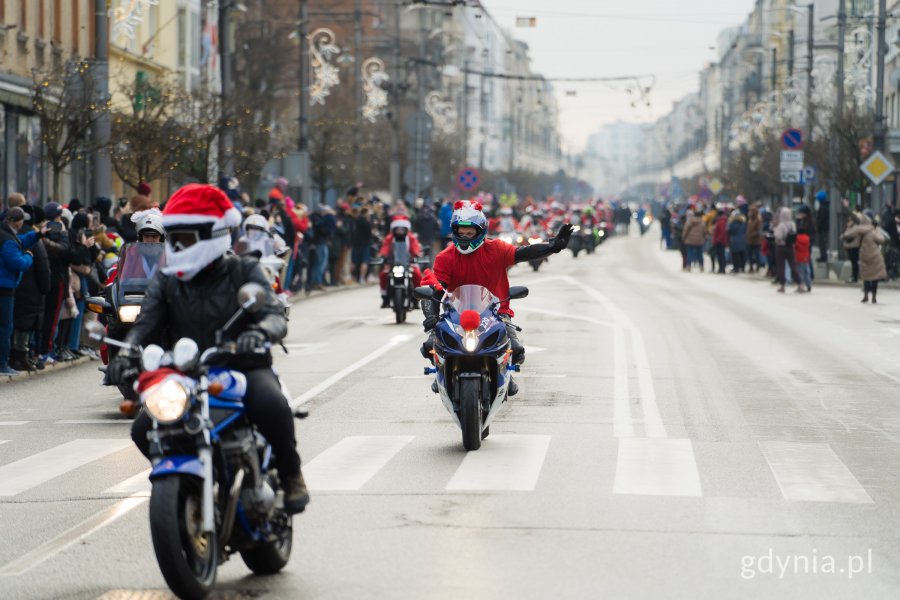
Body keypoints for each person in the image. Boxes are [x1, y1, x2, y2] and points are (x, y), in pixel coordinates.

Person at [107, 184, 309, 514]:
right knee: (144, 428)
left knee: (271, 405)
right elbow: (145, 324)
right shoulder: (167, 279)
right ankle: (187, 484)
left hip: (241, 363)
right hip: (185, 371)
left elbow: (273, 313)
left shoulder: (243, 269)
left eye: (183, 238)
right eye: (172, 238)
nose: (176, 246)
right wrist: (127, 352)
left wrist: (258, 332)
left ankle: (291, 475)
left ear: (211, 233)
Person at [419, 201, 573, 397]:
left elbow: (523, 252)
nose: (465, 237)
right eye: (461, 232)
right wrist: (431, 317)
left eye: (470, 232)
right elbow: (435, 289)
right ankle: (441, 374)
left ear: (481, 230)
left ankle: (505, 374)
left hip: (496, 313)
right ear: (454, 231)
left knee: (516, 349)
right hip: (456, 315)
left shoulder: (497, 249)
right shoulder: (445, 257)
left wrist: (553, 245)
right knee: (429, 346)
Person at [0, 208, 36, 374]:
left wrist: (38, 235)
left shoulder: (6, 234)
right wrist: (29, 256)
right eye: (22, 220)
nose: (23, 223)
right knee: (5, 327)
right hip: (5, 288)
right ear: (16, 221)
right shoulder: (7, 240)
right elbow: (18, 263)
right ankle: (2, 364)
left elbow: (20, 240)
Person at [842, 210, 887, 303]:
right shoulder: (872, 230)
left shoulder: (859, 230)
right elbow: (882, 240)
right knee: (875, 277)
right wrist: (878, 231)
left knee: (866, 276)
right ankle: (874, 297)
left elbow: (851, 239)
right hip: (875, 256)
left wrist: (843, 237)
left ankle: (866, 295)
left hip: (865, 256)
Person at [379, 215, 423, 308]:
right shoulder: (389, 238)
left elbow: (415, 247)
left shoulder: (411, 237)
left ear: (406, 229)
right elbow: (385, 247)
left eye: (402, 229)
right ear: (394, 229)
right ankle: (385, 298)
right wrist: (383, 255)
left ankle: (416, 299)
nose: (400, 231)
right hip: (392, 263)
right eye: (397, 229)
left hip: (409, 262)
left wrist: (416, 254)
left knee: (417, 274)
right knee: (383, 275)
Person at [774, 207, 804, 294]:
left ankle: (782, 285)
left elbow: (778, 236)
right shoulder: (792, 224)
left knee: (781, 266)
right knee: (793, 266)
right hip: (790, 246)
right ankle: (800, 283)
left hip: (780, 247)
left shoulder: (781, 225)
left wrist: (775, 231)